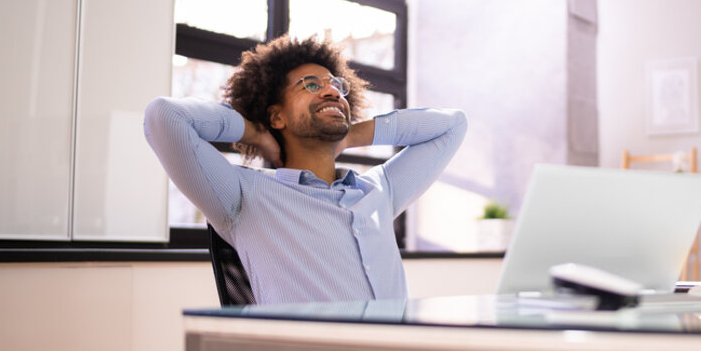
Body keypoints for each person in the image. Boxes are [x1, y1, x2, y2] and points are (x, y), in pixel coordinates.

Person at [144, 36, 467, 304]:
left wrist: (352, 134)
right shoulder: (242, 196)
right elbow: (165, 117)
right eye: (310, 85)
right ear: (276, 117)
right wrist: (255, 135)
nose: (332, 92)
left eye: (336, 87)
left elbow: (453, 125)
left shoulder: (379, 189)